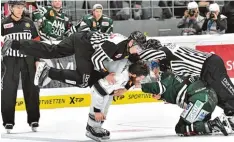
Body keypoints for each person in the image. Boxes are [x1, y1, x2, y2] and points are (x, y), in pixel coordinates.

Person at [137, 39, 234, 129]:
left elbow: (150, 54)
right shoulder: (166, 61)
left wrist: (133, 56)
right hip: (204, 70)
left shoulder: (166, 50)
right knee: (219, 96)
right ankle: (231, 117)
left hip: (209, 64)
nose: (153, 62)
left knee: (227, 94)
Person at [2, 31, 146, 88]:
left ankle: (14, 44)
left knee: (54, 51)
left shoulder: (130, 49)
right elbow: (96, 59)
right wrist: (106, 74)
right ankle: (48, 70)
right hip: (86, 45)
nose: (139, 51)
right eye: (139, 47)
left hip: (82, 37)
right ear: (131, 42)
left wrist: (132, 83)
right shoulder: (115, 46)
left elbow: (137, 64)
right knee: (84, 81)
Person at [139, 61, 233, 136]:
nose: (154, 71)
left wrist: (136, 81)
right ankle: (216, 124)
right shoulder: (176, 74)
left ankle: (215, 124)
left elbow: (155, 87)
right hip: (207, 98)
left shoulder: (165, 78)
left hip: (200, 100)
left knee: (181, 128)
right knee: (197, 127)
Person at [1, 0, 40, 133]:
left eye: (21, 7)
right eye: (17, 7)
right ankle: (8, 122)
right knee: (8, 90)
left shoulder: (29, 22)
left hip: (28, 60)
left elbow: (36, 42)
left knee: (32, 90)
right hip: (10, 60)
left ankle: (34, 120)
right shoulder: (4, 24)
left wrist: (37, 59)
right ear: (11, 8)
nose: (19, 9)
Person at [86, 59, 149, 141]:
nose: (140, 80)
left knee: (108, 99)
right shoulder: (119, 77)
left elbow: (132, 79)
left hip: (107, 74)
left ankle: (97, 126)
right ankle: (91, 128)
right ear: (133, 74)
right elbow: (96, 91)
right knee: (103, 99)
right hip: (95, 75)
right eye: (140, 78)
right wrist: (97, 111)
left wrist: (125, 89)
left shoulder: (133, 67)